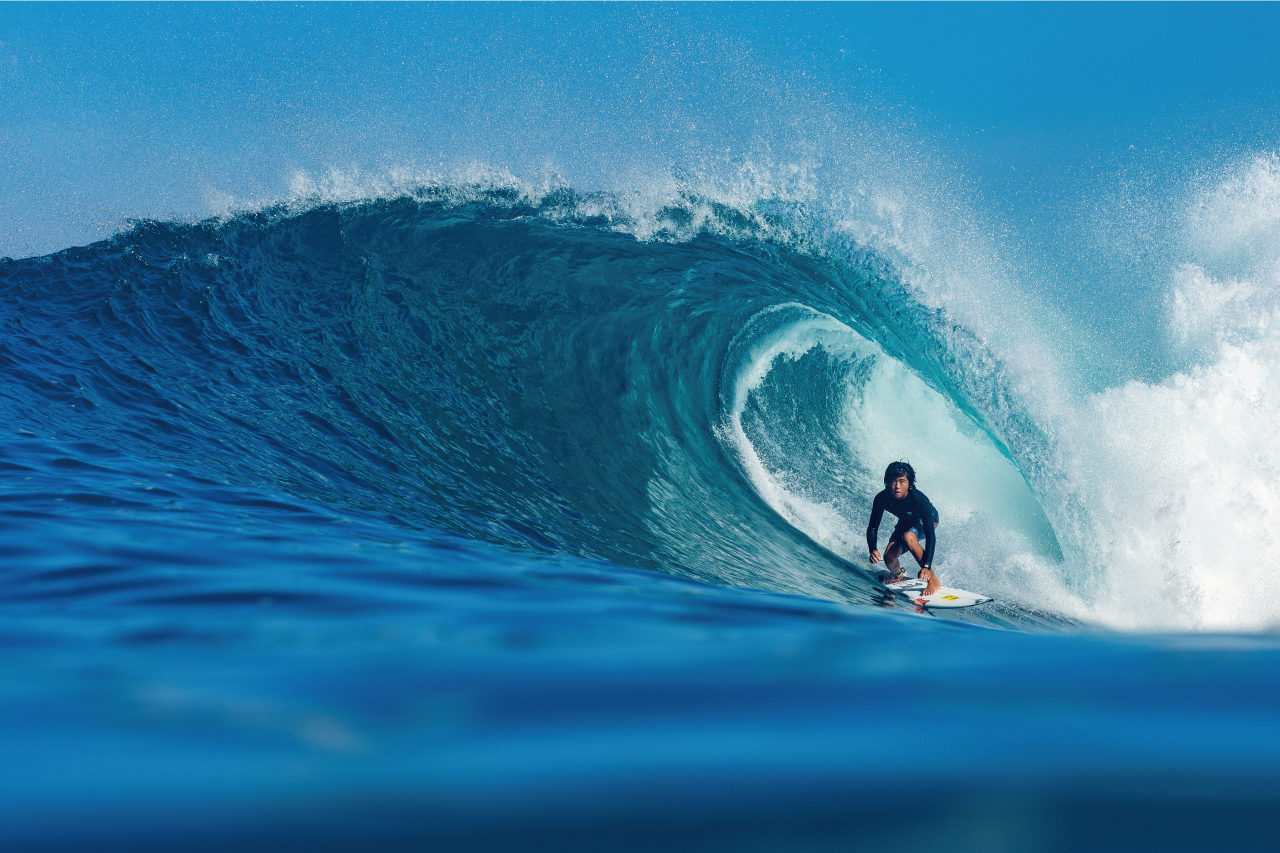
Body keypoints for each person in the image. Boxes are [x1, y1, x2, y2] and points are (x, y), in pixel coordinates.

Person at [866, 461, 941, 596]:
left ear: (909, 483)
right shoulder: (881, 498)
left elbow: (930, 536)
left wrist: (926, 566)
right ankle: (897, 575)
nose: (897, 487)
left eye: (902, 481)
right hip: (906, 521)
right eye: (893, 481)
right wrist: (873, 549)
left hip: (928, 518)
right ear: (887, 482)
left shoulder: (919, 499)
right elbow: (872, 527)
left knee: (909, 537)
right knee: (889, 557)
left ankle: (934, 581)